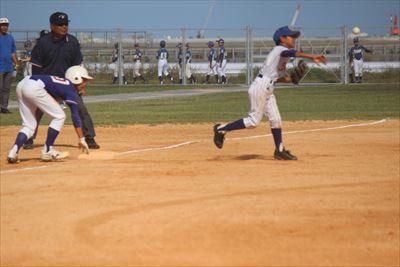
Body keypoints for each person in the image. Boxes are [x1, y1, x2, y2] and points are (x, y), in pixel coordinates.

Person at [213, 25, 326, 160]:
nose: (294, 39)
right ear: (282, 39)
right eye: (292, 37)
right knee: (253, 121)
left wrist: (291, 79)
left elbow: (276, 78)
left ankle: (279, 151)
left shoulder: (281, 56)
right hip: (260, 87)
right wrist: (312, 56)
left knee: (276, 120)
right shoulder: (280, 49)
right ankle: (221, 129)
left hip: (268, 88)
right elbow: (291, 53)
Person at [24, 11, 100, 150]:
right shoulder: (43, 43)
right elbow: (36, 68)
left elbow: (78, 66)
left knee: (80, 108)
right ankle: (28, 137)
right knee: (36, 110)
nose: (64, 27)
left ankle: (89, 137)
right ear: (52, 25)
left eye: (66, 24)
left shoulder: (72, 41)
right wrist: (37, 87)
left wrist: (80, 85)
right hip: (45, 84)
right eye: (60, 24)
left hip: (67, 85)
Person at [7, 65, 92, 163]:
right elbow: (75, 116)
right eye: (84, 80)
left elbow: (50, 96)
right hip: (34, 87)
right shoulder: (70, 90)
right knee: (60, 116)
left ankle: (13, 152)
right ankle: (48, 150)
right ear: (76, 79)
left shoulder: (64, 84)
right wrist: (81, 138)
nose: (85, 83)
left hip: (22, 84)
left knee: (30, 126)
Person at [0, 17, 20, 114]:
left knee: (6, 89)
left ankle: (4, 108)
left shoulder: (10, 37)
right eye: (2, 25)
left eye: (6, 25)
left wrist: (16, 63)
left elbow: (13, 52)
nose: (4, 27)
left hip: (8, 67)